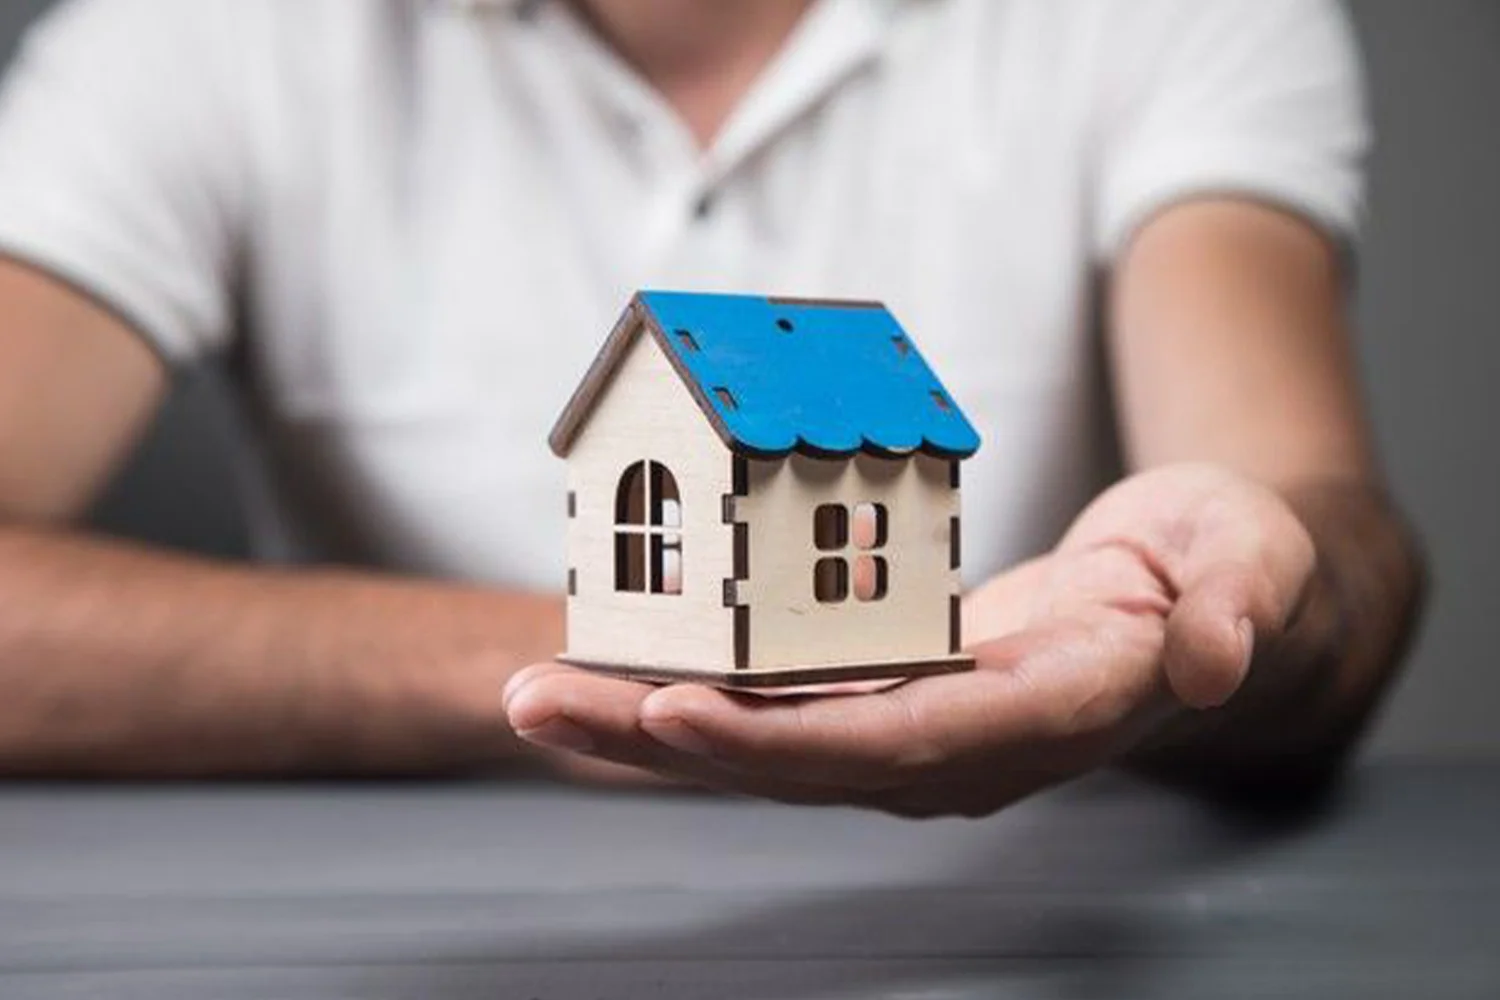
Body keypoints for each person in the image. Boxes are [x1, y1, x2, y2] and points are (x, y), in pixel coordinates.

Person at [0, 0, 1423, 810]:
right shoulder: (193, 37)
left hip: (1038, 889)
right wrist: (654, 654)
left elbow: (1303, 530)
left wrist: (1237, 593)